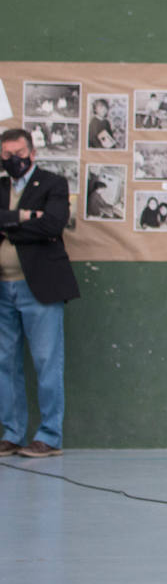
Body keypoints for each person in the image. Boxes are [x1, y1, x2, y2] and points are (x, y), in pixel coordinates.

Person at [0, 129, 80, 458]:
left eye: (18, 154)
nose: (12, 161)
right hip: (3, 287)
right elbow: (38, 224)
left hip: (40, 287)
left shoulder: (52, 184)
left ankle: (49, 435)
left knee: (47, 361)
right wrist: (26, 216)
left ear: (32, 153)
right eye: (5, 157)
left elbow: (53, 225)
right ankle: (12, 432)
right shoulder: (1, 186)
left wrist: (9, 224)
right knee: (5, 363)